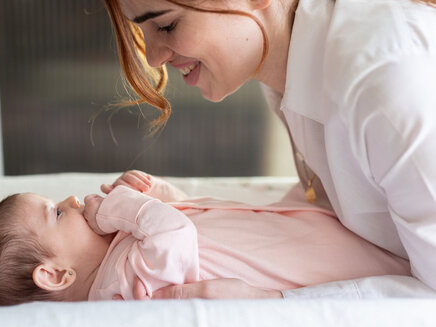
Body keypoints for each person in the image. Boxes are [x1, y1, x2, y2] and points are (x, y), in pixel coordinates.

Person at [101, 0, 436, 299]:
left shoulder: (383, 80)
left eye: (166, 25)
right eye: (143, 31)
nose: (153, 57)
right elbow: (345, 198)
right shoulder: (288, 68)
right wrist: (197, 212)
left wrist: (274, 305)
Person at [0, 170, 410, 307]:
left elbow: (182, 216)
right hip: (324, 257)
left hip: (297, 225)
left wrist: (157, 195)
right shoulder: (122, 284)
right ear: (56, 274)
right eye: (57, 213)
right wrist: (122, 206)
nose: (75, 199)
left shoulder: (120, 251)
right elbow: (176, 236)